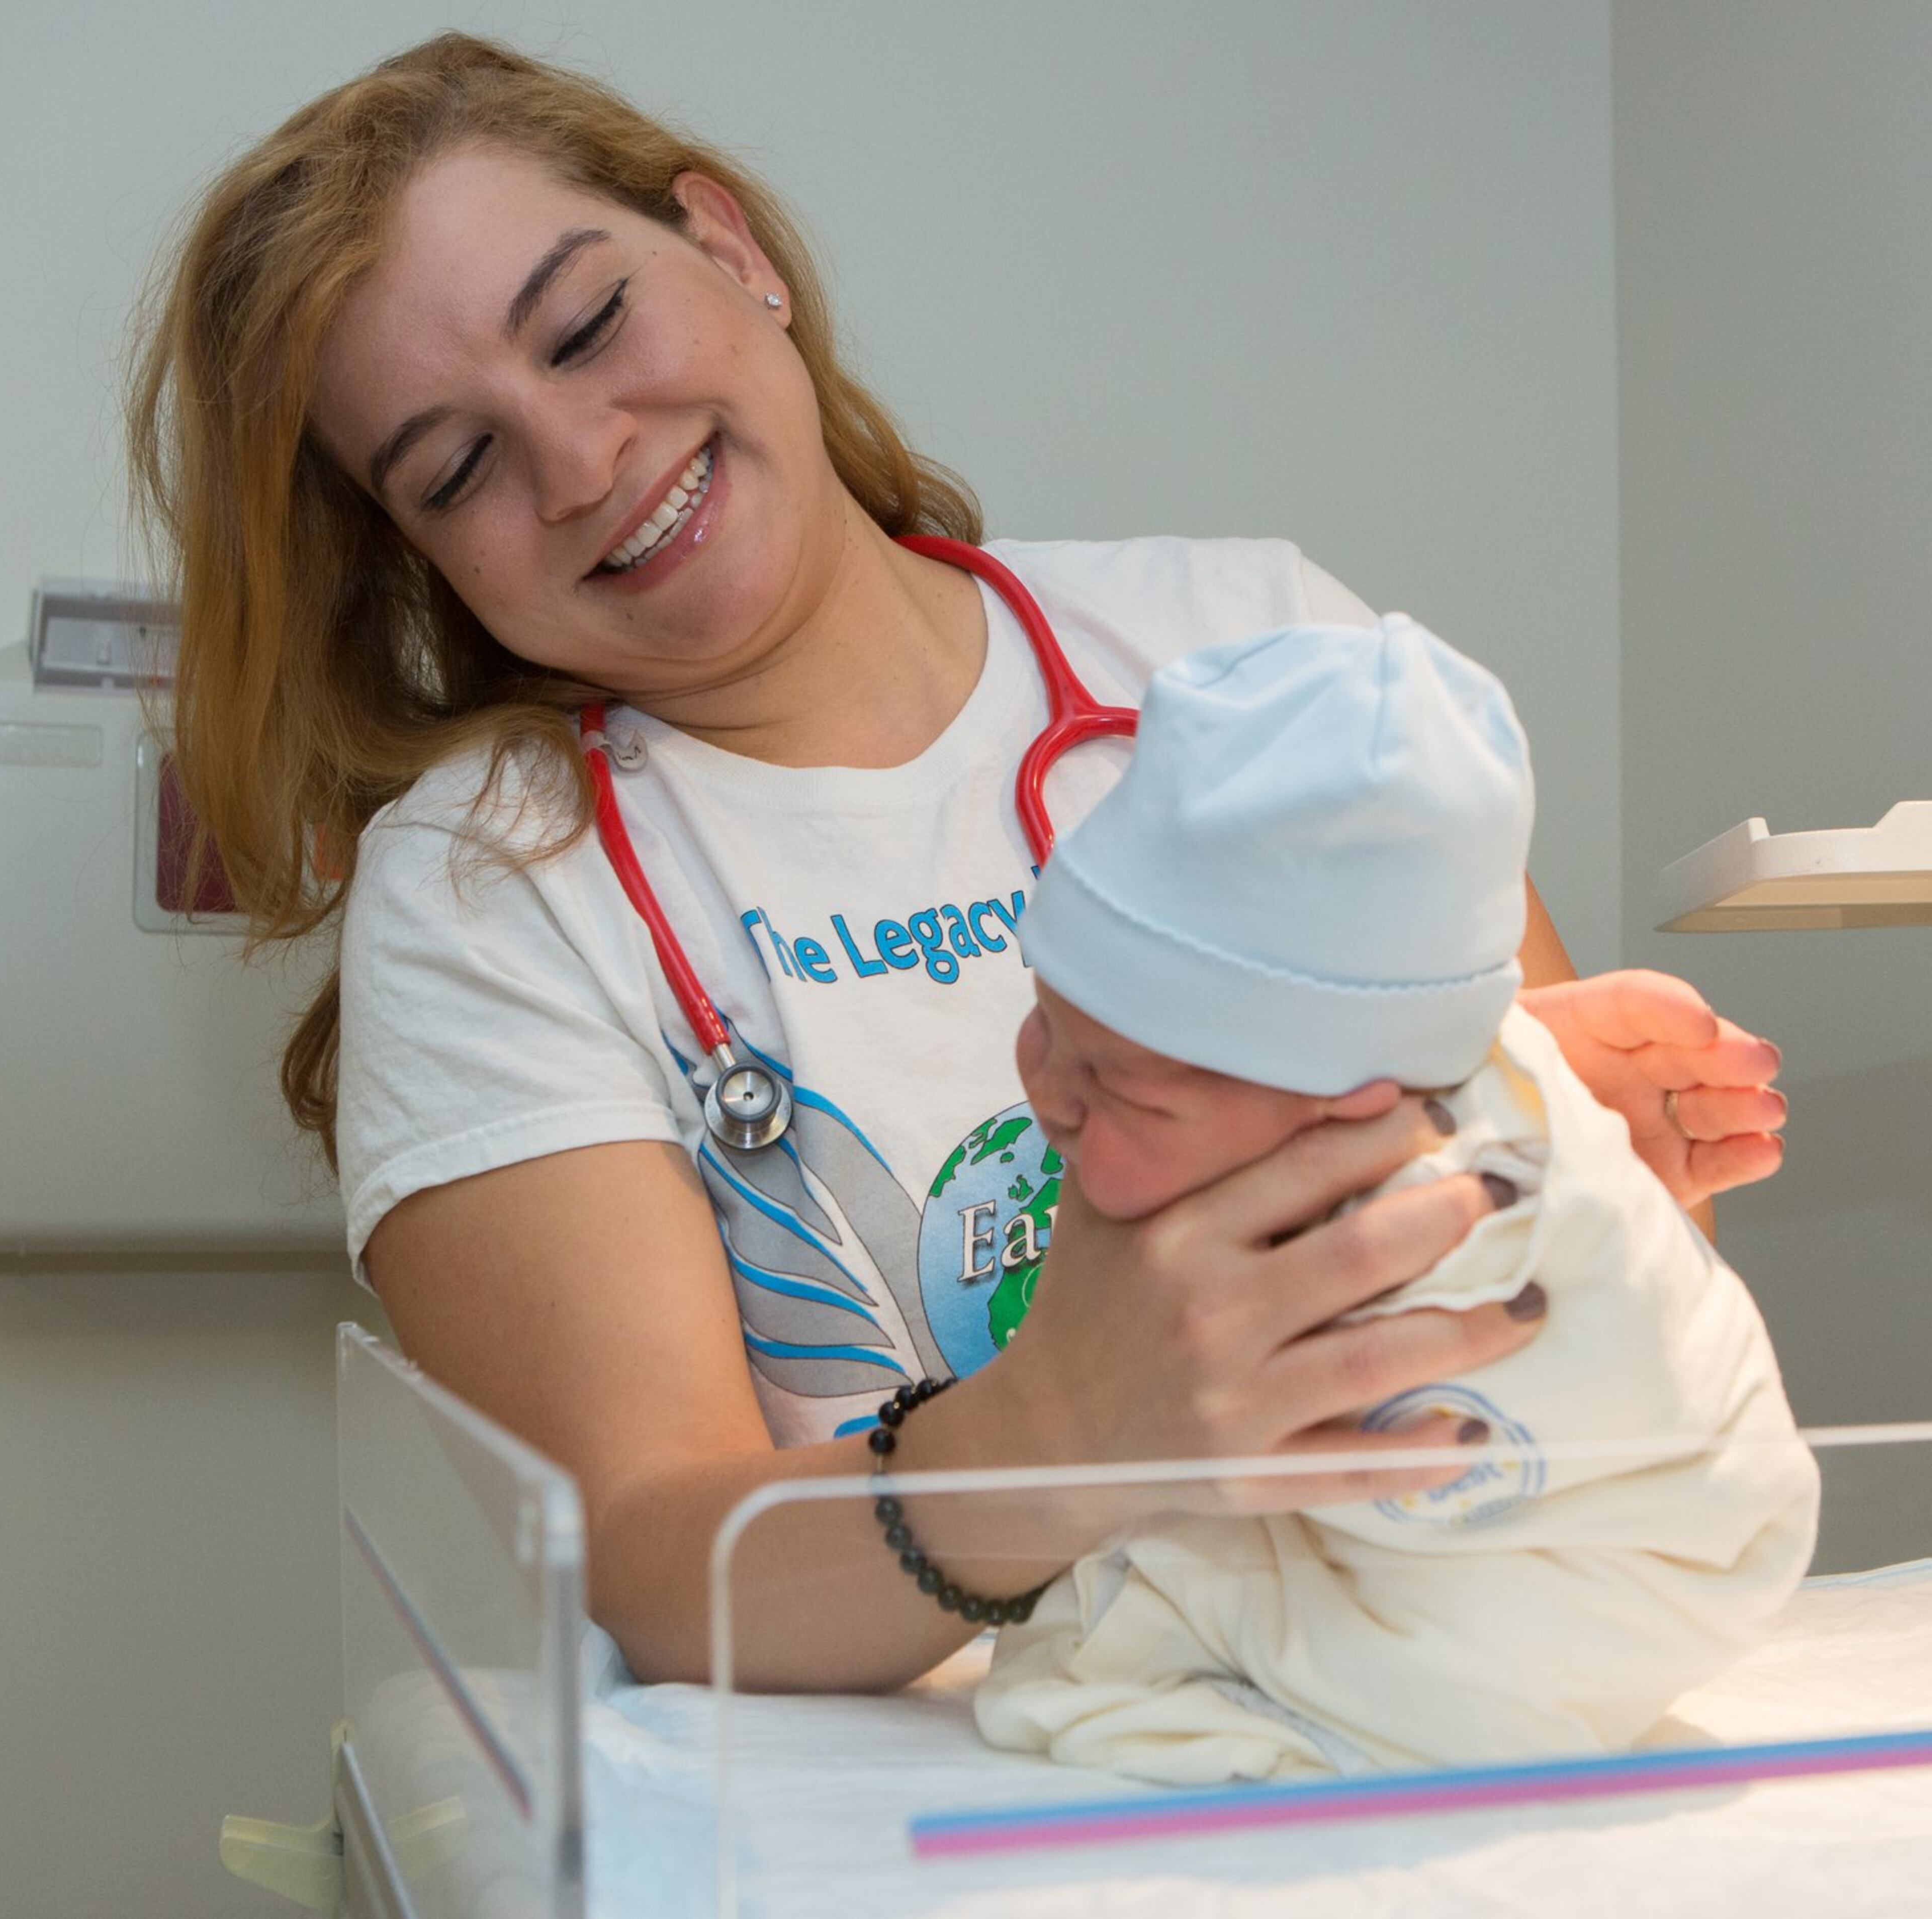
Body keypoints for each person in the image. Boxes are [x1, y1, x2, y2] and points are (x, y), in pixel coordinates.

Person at [126, 32, 1788, 1694]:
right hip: (912, 1827)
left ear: (732, 250)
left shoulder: (1260, 650)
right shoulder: (490, 893)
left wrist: (1564, 1148)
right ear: (419, 560)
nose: (580, 460)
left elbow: (1565, 1322)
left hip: (1437, 1695)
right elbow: (649, 1555)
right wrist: (1066, 1431)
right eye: (459, 466)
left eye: (585, 324)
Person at [971, 616, 1819, 1781]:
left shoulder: (1437, 1211)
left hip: (1609, 1564)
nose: (1042, 1090)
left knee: (1122, 1635)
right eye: (1044, 1018)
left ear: (1343, 1107)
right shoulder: (1422, 1063)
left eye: (1110, 1080)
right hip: (1715, 1561)